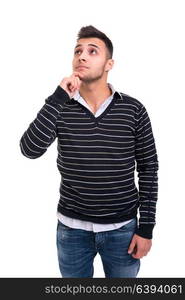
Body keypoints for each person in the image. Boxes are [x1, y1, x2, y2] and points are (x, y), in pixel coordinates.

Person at [19, 25, 159, 278]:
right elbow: (30, 149)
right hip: (71, 232)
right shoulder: (59, 106)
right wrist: (58, 97)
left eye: (92, 51)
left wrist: (146, 229)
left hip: (123, 231)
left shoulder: (133, 109)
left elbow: (149, 168)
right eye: (77, 51)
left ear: (109, 64)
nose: (81, 56)